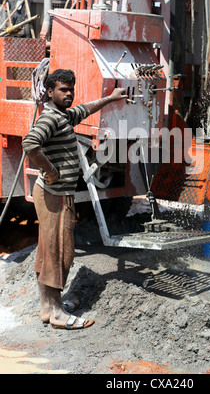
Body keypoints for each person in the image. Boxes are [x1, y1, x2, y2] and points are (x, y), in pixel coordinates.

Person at [22, 69, 127, 330]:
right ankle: (57, 313)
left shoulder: (64, 116)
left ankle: (48, 307)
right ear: (50, 92)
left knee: (49, 251)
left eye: (71, 89)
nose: (68, 94)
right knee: (61, 253)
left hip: (55, 194)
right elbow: (30, 143)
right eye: (62, 90)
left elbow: (85, 109)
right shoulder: (51, 118)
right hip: (54, 196)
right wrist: (50, 170)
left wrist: (111, 98)